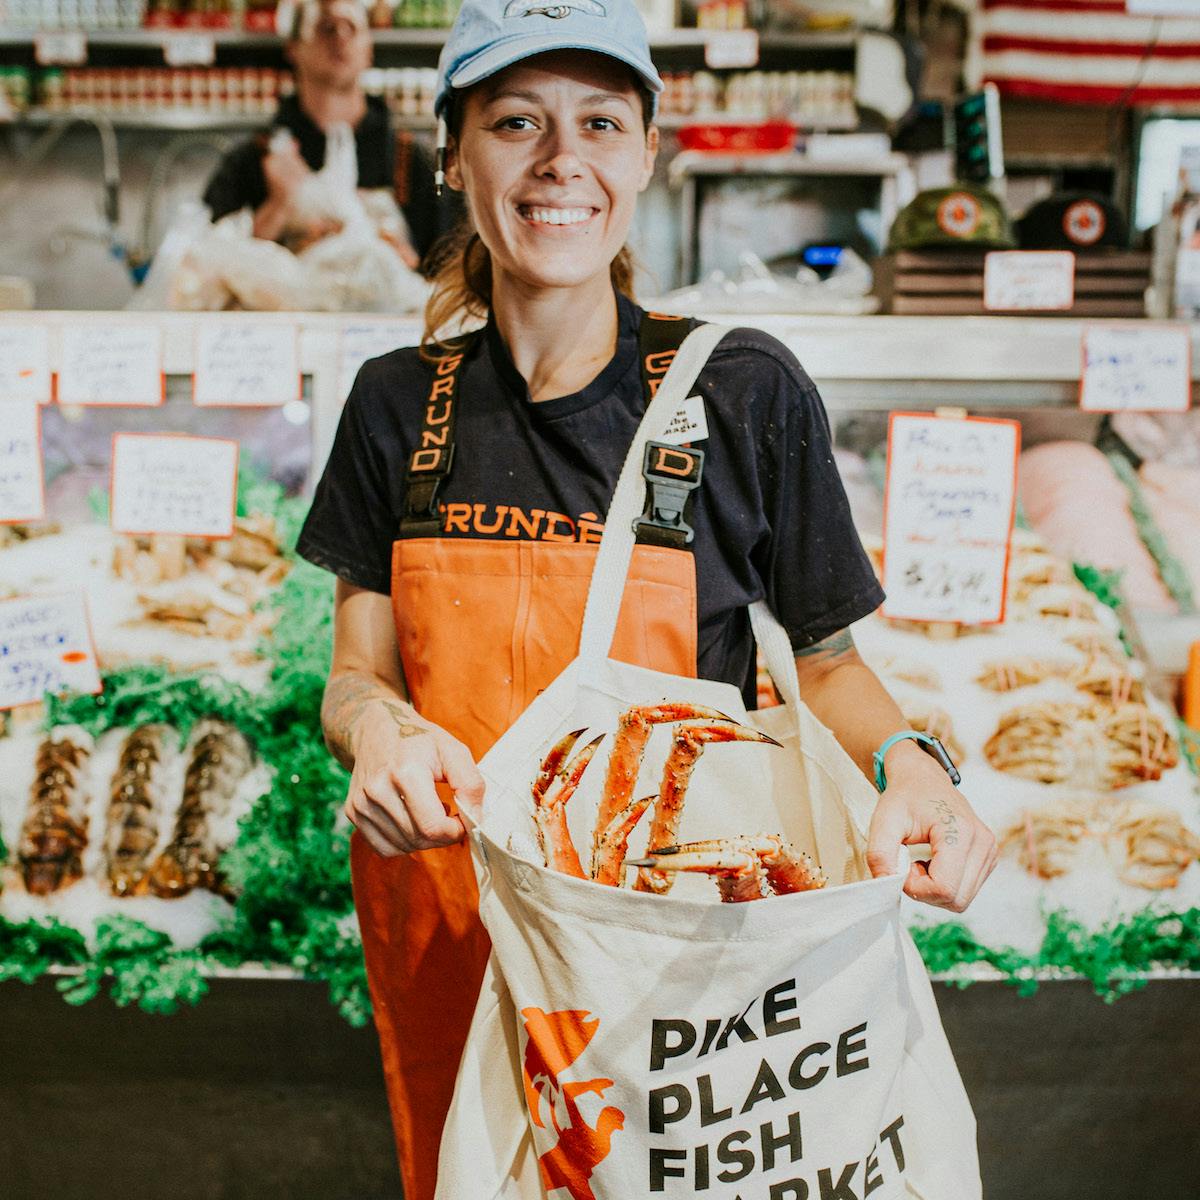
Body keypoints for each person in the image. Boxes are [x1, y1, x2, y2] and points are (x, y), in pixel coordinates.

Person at [295, 2, 998, 1196]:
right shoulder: (393, 404)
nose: (561, 159)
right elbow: (356, 675)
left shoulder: (741, 387)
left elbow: (826, 666)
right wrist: (379, 731)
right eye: (515, 121)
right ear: (456, 154)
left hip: (667, 963)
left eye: (600, 122)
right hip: (451, 928)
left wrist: (918, 771)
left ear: (646, 155)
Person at [201, 0, 458, 266]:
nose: (340, 37)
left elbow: (452, 270)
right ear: (293, 48)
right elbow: (201, 268)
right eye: (326, 27)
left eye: (352, 28)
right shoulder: (251, 161)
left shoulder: (415, 160)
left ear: (368, 47)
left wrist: (402, 258)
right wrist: (277, 208)